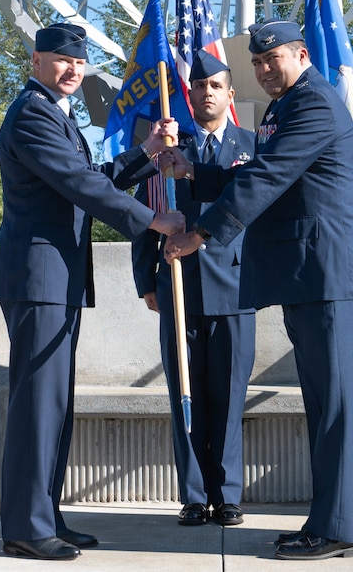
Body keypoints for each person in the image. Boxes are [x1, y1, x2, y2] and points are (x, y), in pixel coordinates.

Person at [164, 21, 353, 561]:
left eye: (273, 59)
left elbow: (268, 178)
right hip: (310, 276)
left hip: (330, 274)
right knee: (326, 403)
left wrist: (202, 232)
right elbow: (257, 170)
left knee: (337, 406)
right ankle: (333, 522)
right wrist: (195, 172)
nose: (264, 70)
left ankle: (340, 528)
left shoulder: (312, 103)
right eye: (257, 64)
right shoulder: (289, 107)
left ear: (301, 55)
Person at [0, 22, 185, 562]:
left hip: (57, 278)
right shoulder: (32, 113)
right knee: (37, 403)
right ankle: (27, 528)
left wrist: (146, 151)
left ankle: (45, 515)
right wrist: (153, 221)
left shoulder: (57, 113)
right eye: (60, 60)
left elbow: (90, 173)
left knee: (54, 404)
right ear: (36, 61)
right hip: (38, 277)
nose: (72, 70)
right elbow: (80, 185)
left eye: (79, 62)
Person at [131, 49, 257, 529]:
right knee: (184, 392)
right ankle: (193, 494)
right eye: (199, 88)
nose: (206, 94)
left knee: (227, 394)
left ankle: (225, 495)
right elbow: (146, 215)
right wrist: (147, 280)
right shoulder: (166, 150)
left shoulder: (251, 147)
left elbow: (257, 211)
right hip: (177, 288)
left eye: (215, 87)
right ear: (190, 94)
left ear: (229, 94)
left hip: (234, 288)